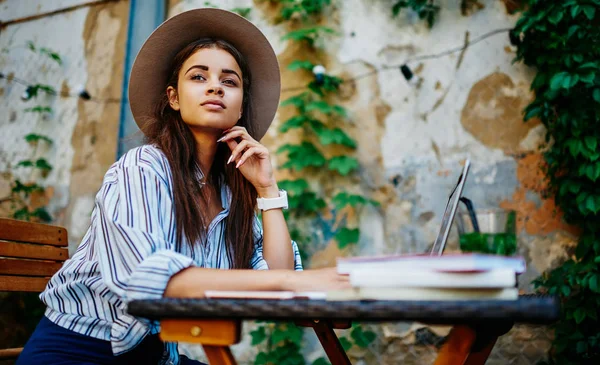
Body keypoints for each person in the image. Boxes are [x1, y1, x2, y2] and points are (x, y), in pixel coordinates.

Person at [17, 8, 350, 365]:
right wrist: (295, 283)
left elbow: (276, 278)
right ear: (174, 98)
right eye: (198, 76)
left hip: (154, 357)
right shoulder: (142, 168)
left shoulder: (229, 194)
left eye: (230, 81)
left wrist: (267, 191)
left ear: (240, 109)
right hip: (79, 352)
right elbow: (150, 281)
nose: (214, 86)